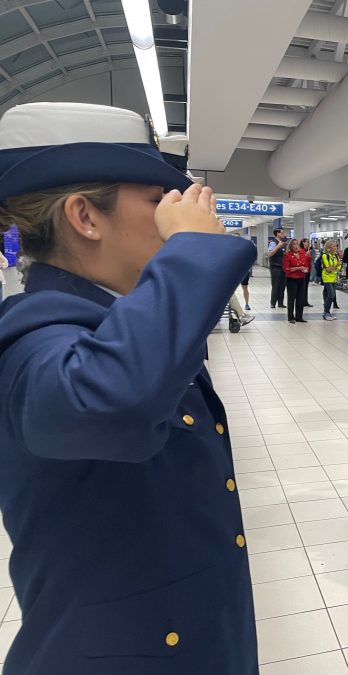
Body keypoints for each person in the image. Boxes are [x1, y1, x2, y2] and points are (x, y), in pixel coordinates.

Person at [0, 101, 257, 672]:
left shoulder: (126, 323)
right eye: (157, 200)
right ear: (85, 216)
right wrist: (193, 253)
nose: (178, 213)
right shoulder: (30, 335)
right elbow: (112, 403)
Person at [283, 238, 308, 323]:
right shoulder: (287, 255)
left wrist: (305, 269)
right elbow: (286, 269)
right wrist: (298, 268)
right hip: (292, 279)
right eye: (294, 244)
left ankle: (299, 317)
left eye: (297, 244)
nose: (296, 246)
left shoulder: (303, 254)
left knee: (300, 298)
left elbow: (306, 265)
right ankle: (291, 317)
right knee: (291, 298)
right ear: (291, 246)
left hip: (301, 278)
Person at [267, 227, 288, 308]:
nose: (284, 234)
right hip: (275, 267)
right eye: (282, 233)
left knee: (283, 285)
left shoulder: (283, 243)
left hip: (283, 267)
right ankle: (273, 303)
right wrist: (277, 247)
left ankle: (280, 303)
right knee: (276, 285)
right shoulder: (273, 243)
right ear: (277, 233)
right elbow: (269, 254)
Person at [320, 239, 341, 320]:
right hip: (327, 277)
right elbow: (328, 269)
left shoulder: (335, 255)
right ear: (329, 248)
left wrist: (336, 267)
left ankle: (326, 311)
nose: (336, 248)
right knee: (331, 295)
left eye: (336, 246)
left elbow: (339, 267)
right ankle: (326, 312)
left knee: (327, 294)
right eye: (334, 246)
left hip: (334, 277)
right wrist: (336, 266)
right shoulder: (325, 256)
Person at [301, 238, 314, 308]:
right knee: (303, 287)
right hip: (304, 271)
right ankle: (302, 301)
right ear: (303, 243)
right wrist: (306, 255)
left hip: (308, 270)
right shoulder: (301, 251)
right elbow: (302, 260)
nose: (308, 243)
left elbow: (310, 259)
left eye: (308, 242)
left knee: (306, 287)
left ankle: (305, 301)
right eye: (307, 242)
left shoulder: (307, 251)